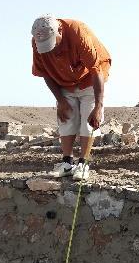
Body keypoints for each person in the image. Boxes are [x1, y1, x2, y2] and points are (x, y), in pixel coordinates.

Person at [31, 14, 111, 180]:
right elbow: (45, 72)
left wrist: (98, 106)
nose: (50, 49)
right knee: (66, 119)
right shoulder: (38, 43)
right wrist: (61, 101)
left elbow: (96, 70)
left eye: (52, 43)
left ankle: (83, 164)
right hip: (64, 82)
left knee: (88, 123)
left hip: (90, 80)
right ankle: (67, 163)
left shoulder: (78, 33)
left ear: (59, 31)